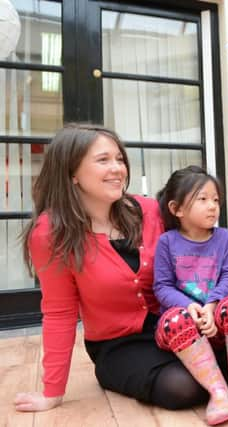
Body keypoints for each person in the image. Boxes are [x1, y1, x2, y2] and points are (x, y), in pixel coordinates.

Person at [14, 124, 209, 413]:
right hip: (118, 344)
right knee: (182, 387)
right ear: (72, 173)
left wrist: (205, 306)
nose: (118, 168)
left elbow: (192, 263)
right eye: (103, 160)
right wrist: (52, 391)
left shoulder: (149, 211)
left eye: (119, 159)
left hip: (174, 325)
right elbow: (59, 312)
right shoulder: (50, 233)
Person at [153, 165, 228, 424]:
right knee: (175, 319)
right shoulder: (167, 242)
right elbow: (162, 286)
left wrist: (212, 305)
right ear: (177, 209)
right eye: (202, 199)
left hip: (216, 320)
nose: (213, 206)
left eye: (216, 200)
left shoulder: (225, 238)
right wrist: (191, 309)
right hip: (182, 329)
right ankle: (218, 393)